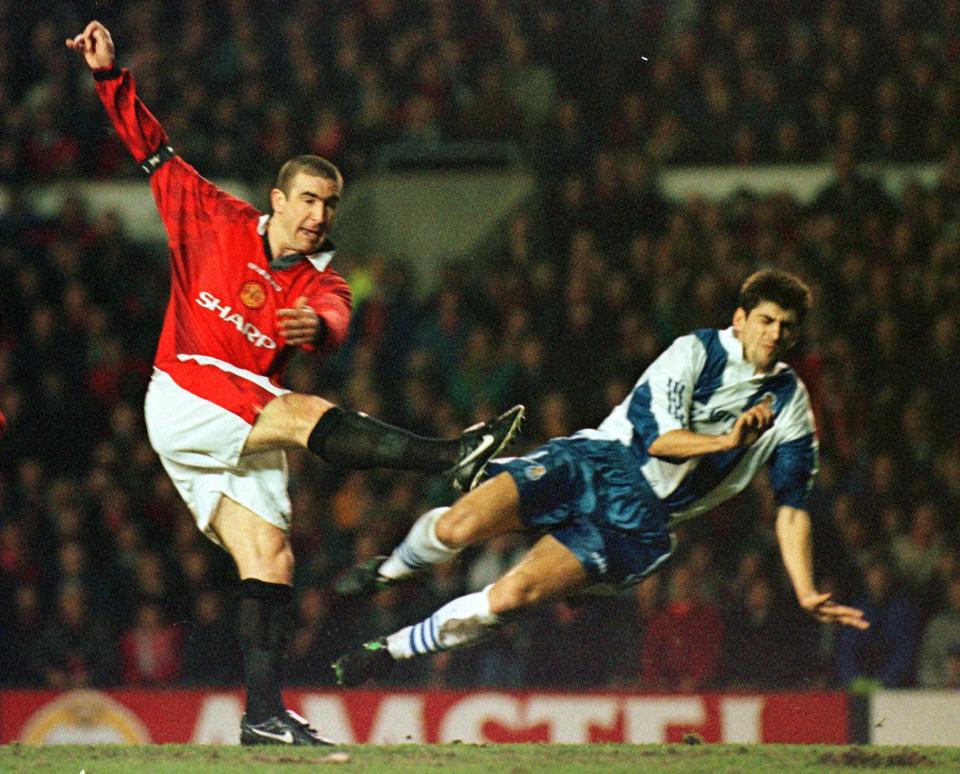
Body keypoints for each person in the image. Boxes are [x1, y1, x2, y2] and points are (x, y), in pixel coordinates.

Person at [66, 21, 523, 746]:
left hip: (241, 420)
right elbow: (151, 149)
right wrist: (109, 76)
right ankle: (450, 458)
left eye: (330, 204)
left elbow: (336, 317)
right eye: (307, 199)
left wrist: (321, 328)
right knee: (301, 410)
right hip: (185, 391)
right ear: (277, 200)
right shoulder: (213, 218)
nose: (319, 215)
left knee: (271, 557)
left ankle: (262, 714)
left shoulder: (324, 280)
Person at [332, 269, 870, 687]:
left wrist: (804, 589)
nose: (776, 335)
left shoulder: (790, 403)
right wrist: (728, 441)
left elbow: (792, 504)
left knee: (512, 596)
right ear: (741, 318)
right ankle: (391, 570)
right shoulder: (693, 351)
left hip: (639, 520)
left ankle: (390, 650)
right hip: (596, 461)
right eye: (767, 320)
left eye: (788, 327)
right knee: (455, 530)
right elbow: (659, 439)